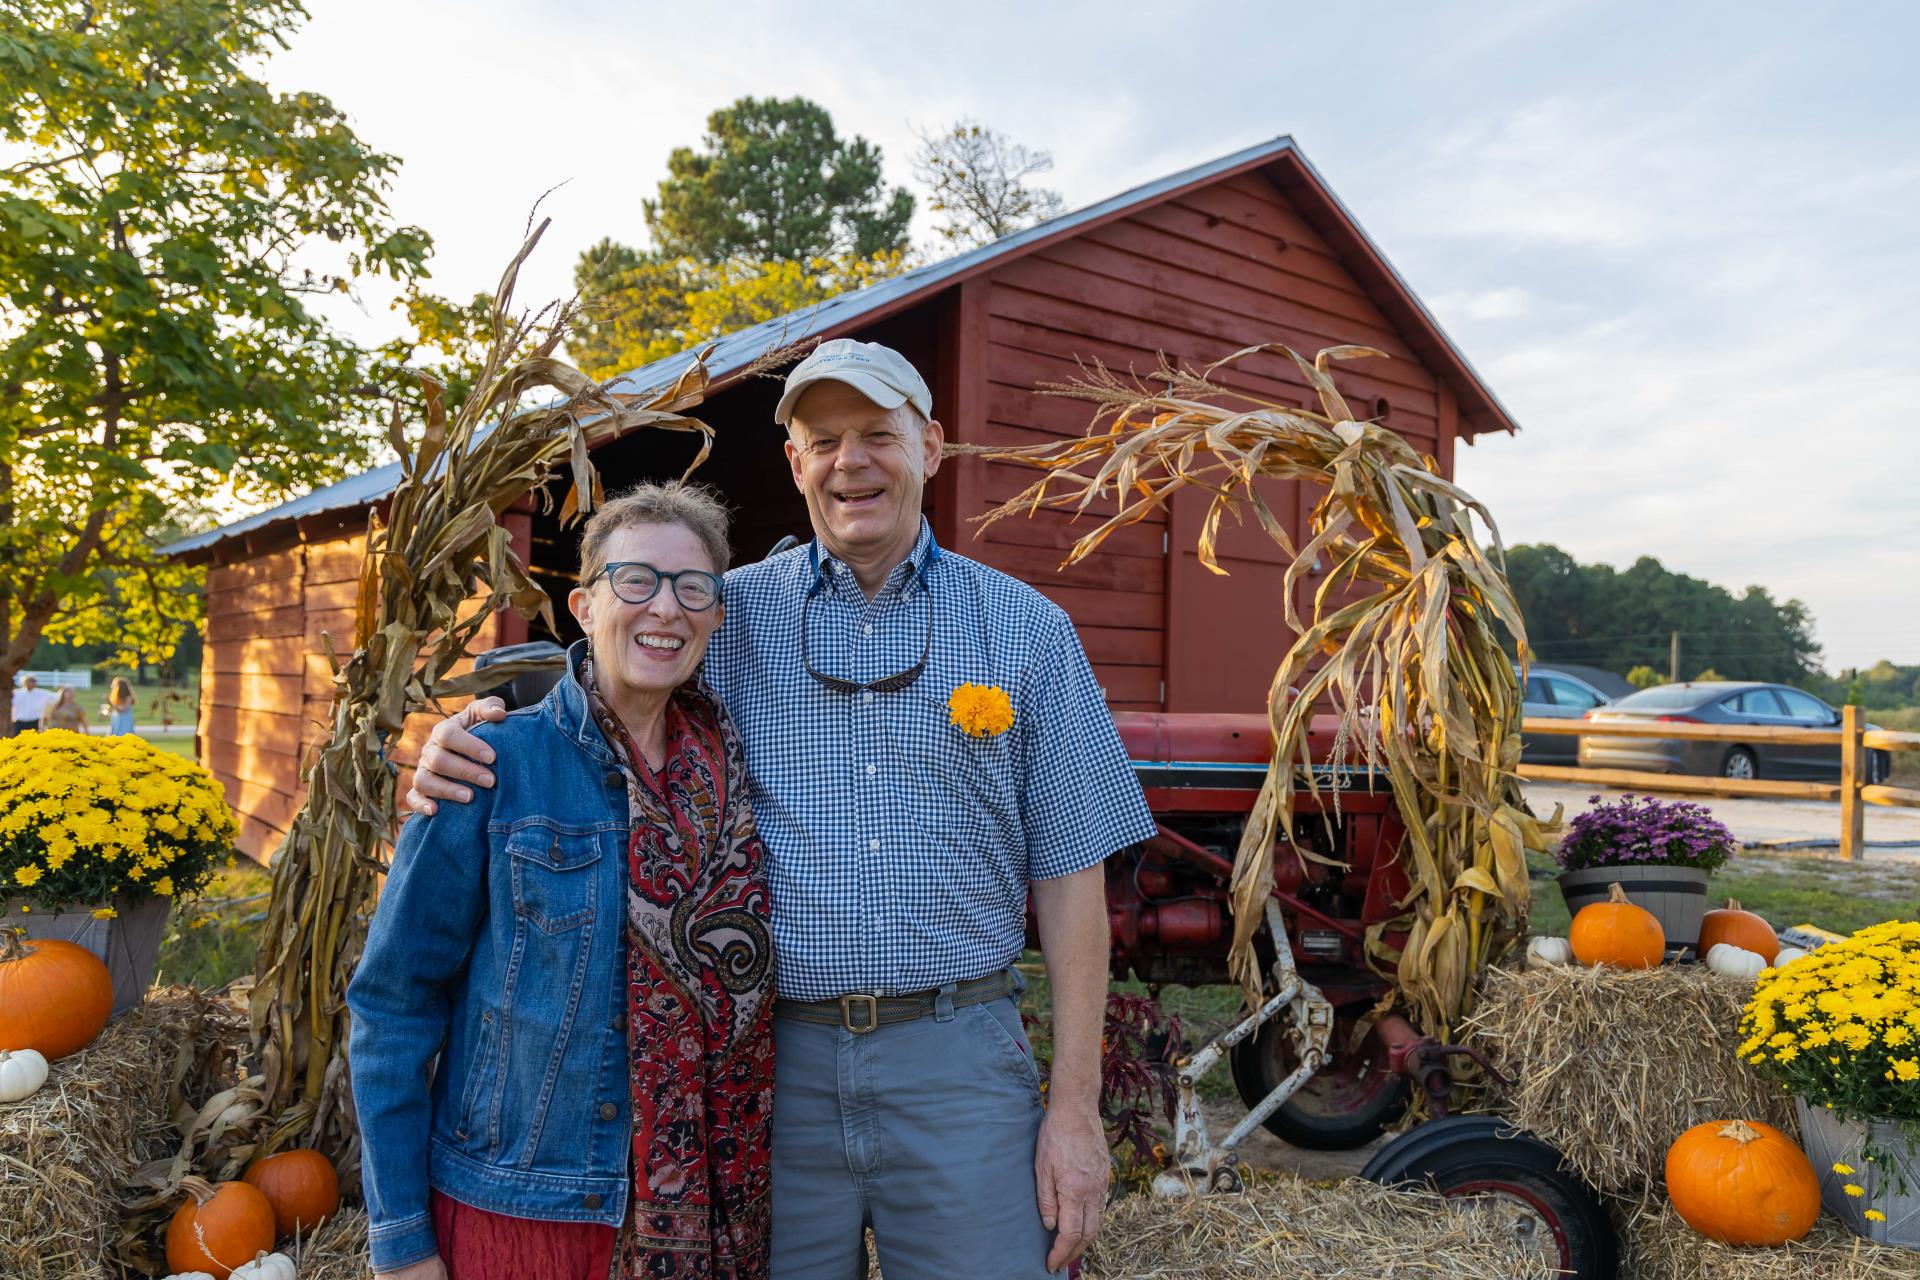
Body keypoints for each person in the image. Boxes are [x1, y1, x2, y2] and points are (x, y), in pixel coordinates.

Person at [410, 339, 1156, 1279]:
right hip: (770, 1067)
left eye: (877, 435)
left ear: (930, 446)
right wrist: (473, 733)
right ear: (796, 463)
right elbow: (609, 696)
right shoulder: (728, 617)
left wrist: (1075, 1112)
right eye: (824, 440)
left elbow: (1072, 874)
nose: (852, 462)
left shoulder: (1025, 628)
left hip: (959, 1056)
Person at [348, 483, 776, 1280]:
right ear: (583, 605)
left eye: (694, 589)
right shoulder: (493, 764)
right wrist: (401, 1239)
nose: (666, 609)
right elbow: (394, 1001)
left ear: (718, 614)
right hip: (519, 1206)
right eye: (636, 581)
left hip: (708, 1213)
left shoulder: (738, 772)